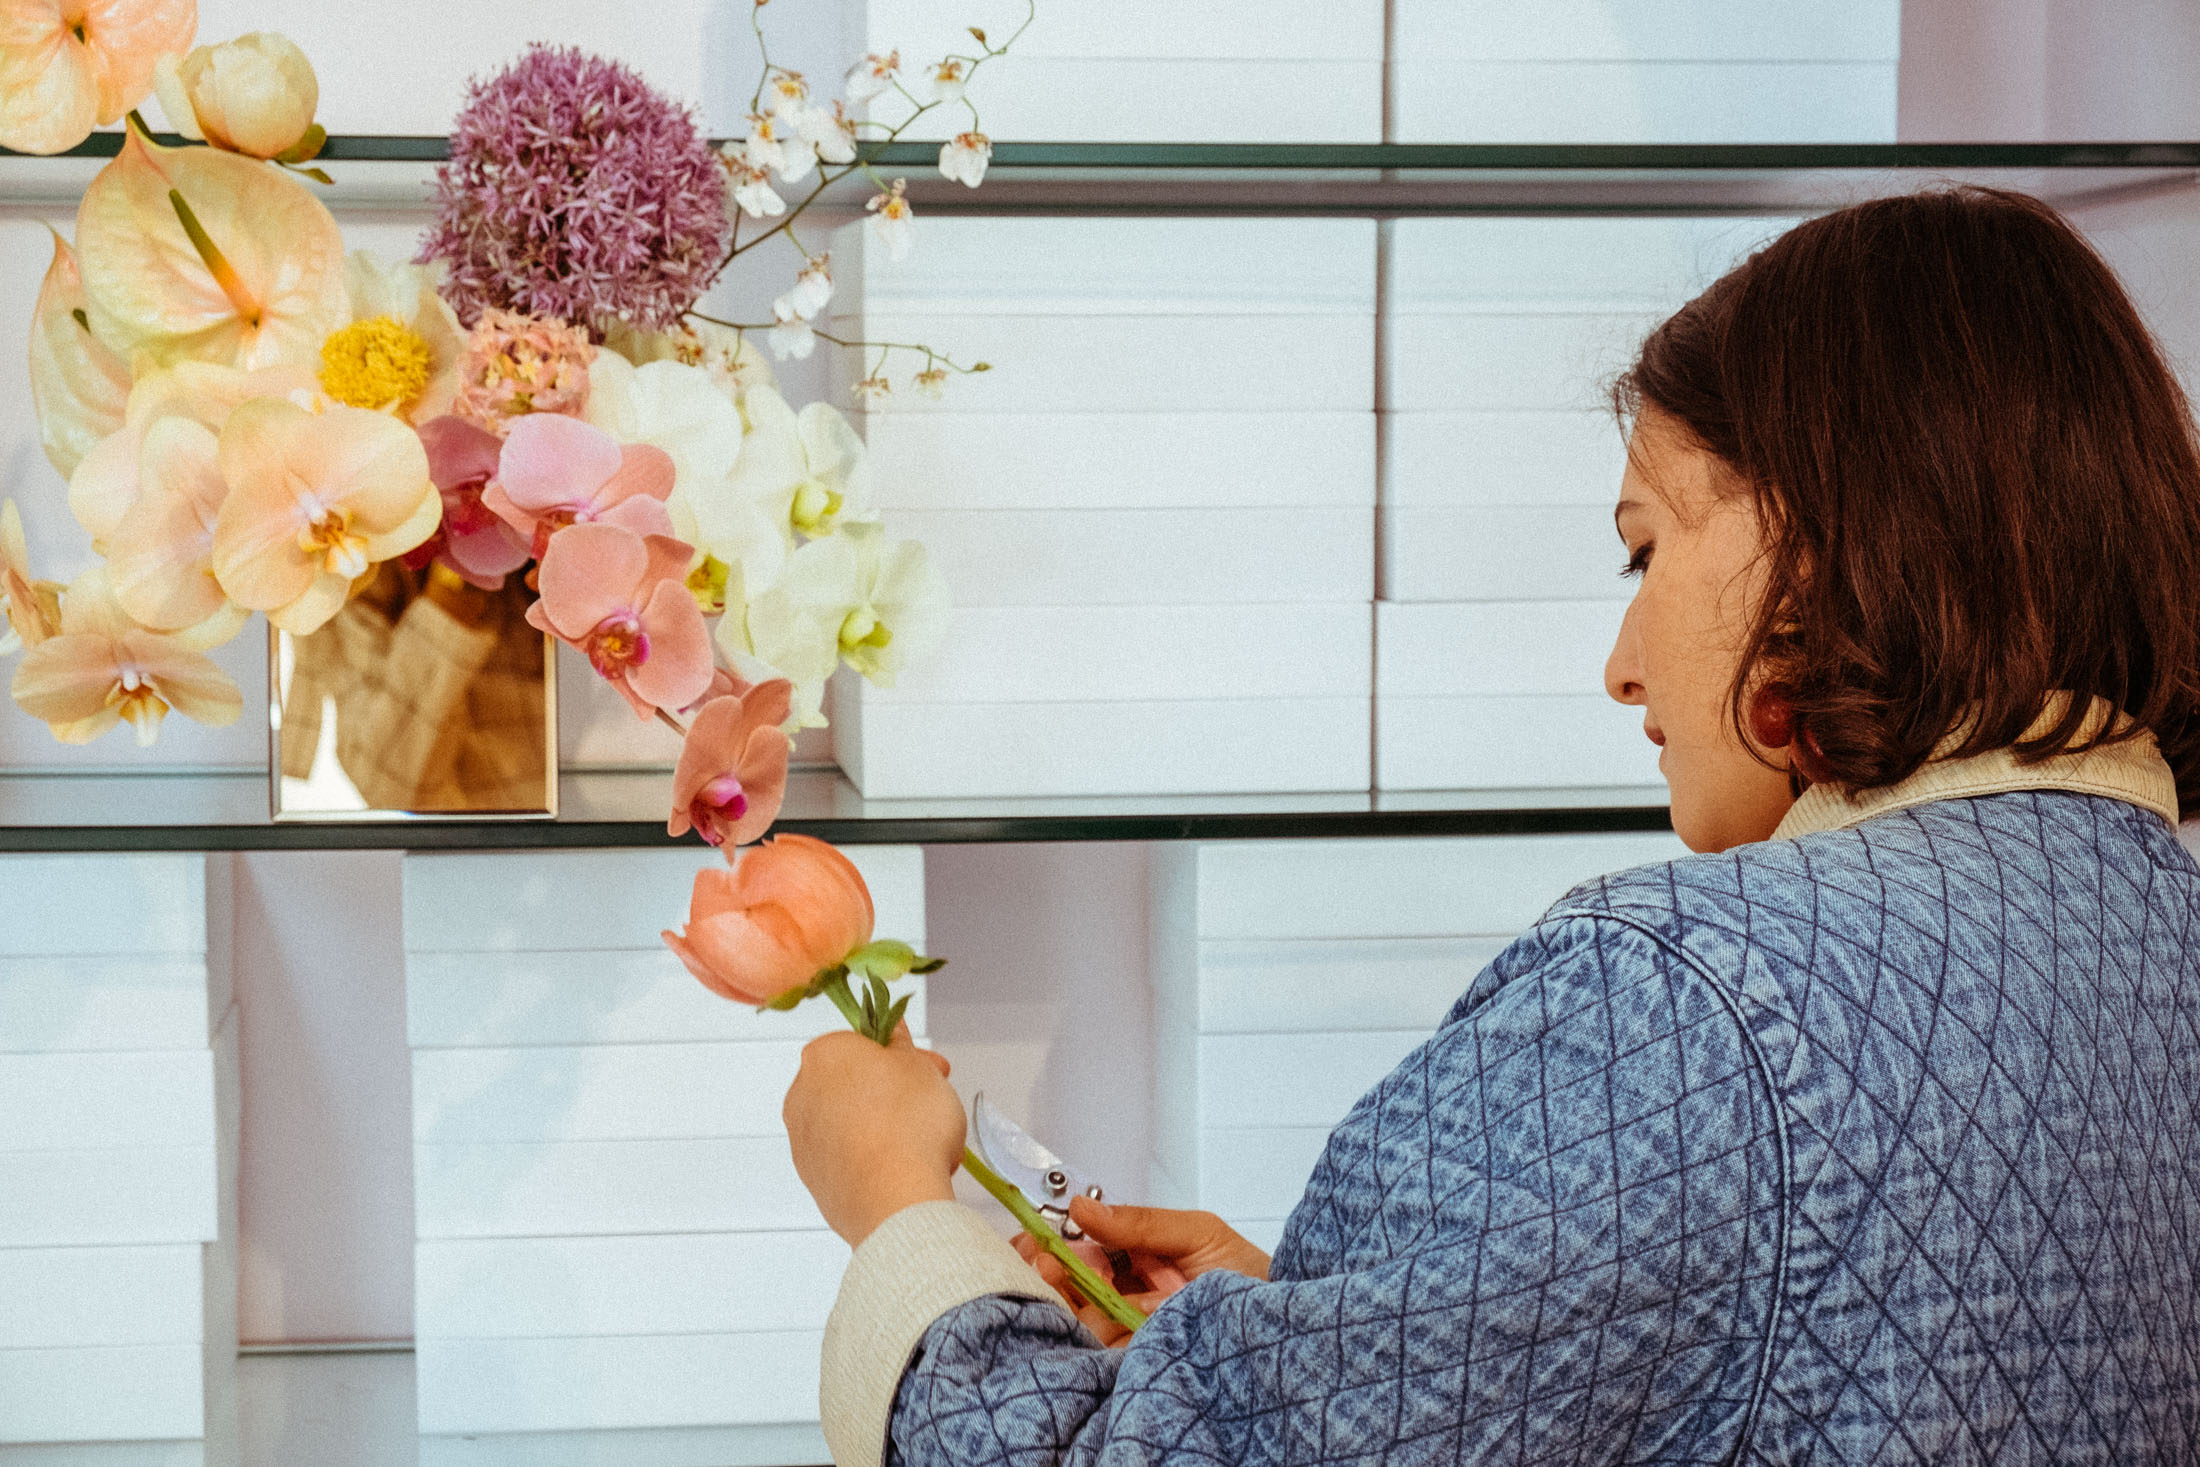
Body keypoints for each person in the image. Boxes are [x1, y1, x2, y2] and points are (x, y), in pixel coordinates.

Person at [782, 187, 2200, 1465]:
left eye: (1645, 549)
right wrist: (1338, 1343)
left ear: (1818, 529)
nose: (1622, 663)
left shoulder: (1682, 999)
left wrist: (901, 1221)